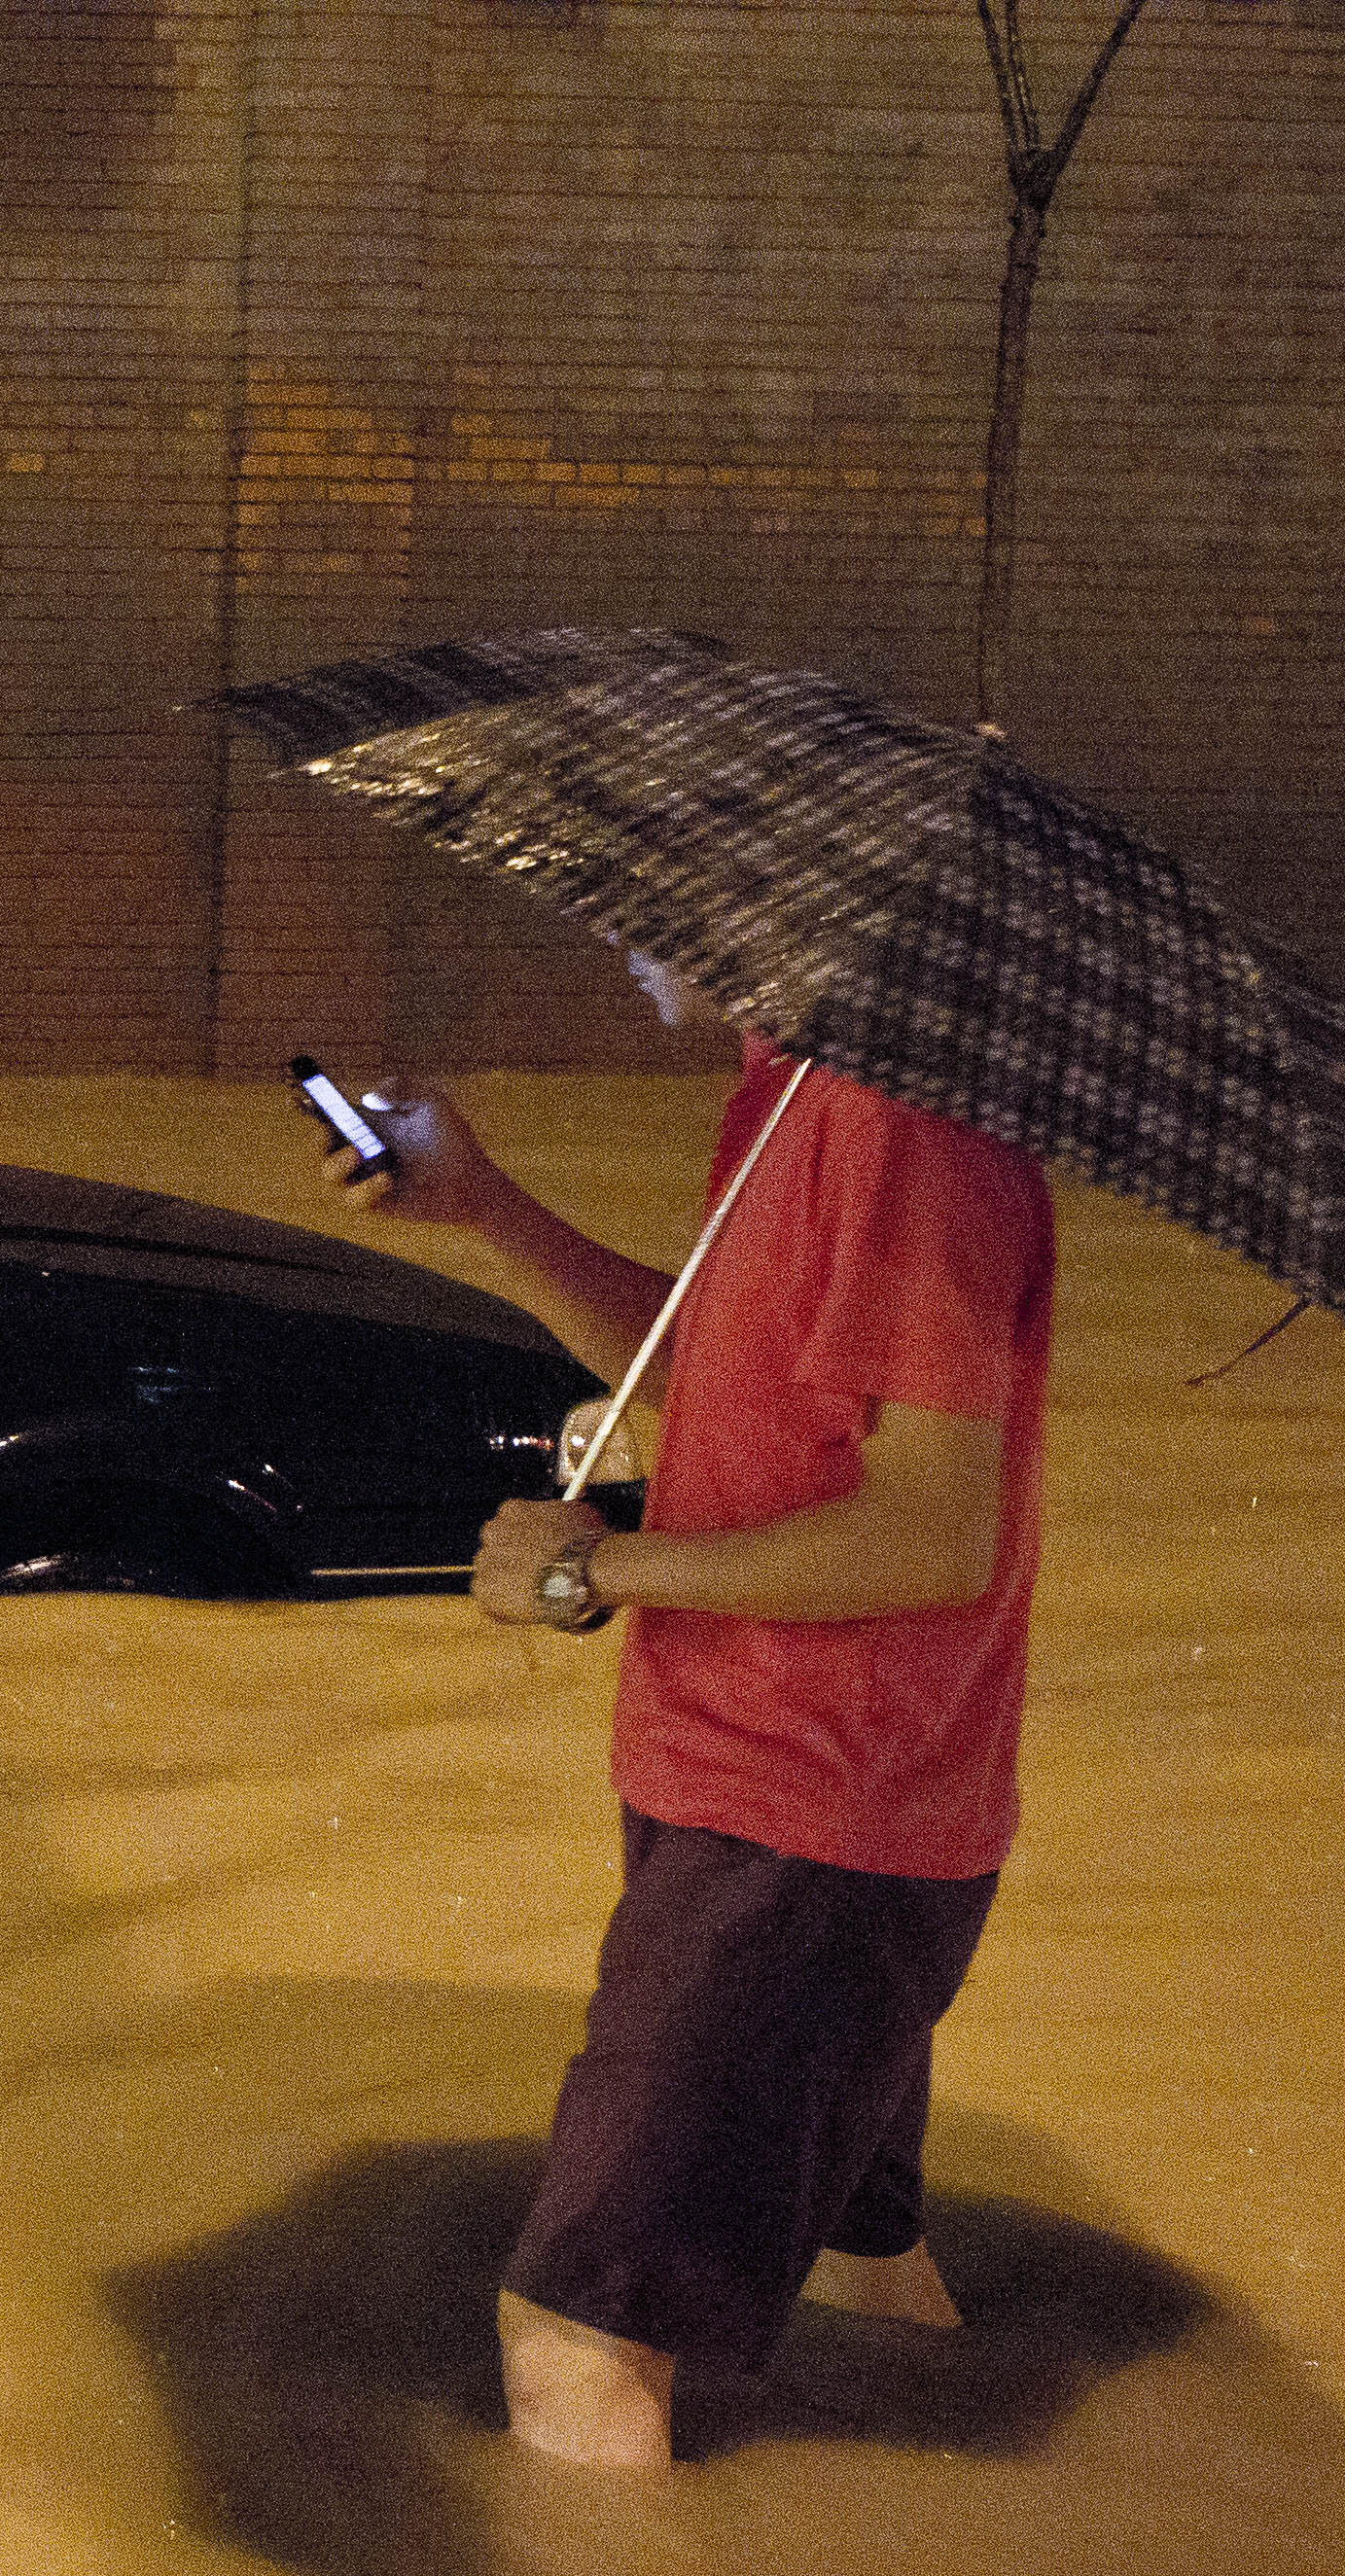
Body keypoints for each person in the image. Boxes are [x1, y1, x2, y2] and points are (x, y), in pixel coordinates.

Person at [318, 956, 1057, 2470]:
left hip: (811, 1824)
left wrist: (601, 1572)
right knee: (863, 2277)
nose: (625, 934)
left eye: (658, 903)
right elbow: (713, 1374)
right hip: (756, 1790)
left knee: (578, 2341)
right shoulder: (792, 1089)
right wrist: (488, 1206)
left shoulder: (909, 1131)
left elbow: (932, 1528)